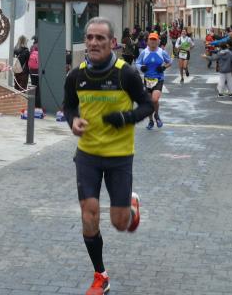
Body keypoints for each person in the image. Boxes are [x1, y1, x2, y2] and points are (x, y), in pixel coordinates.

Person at [62, 17, 153, 295]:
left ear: (112, 42)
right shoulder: (76, 75)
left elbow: (148, 104)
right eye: (89, 37)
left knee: (119, 222)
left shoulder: (125, 74)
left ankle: (131, 206)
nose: (93, 43)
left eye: (100, 38)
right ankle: (100, 275)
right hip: (88, 154)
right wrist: (73, 121)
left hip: (120, 156)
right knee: (89, 217)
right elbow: (69, 107)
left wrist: (126, 117)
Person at [136, 32, 172, 129]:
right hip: (147, 79)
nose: (152, 42)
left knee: (154, 99)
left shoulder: (162, 52)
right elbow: (137, 63)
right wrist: (141, 67)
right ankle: (151, 121)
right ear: (148, 41)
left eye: (154, 40)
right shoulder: (144, 52)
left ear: (158, 41)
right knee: (149, 102)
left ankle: (156, 115)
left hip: (158, 79)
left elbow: (170, 62)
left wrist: (164, 67)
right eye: (151, 40)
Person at [29, 35, 41, 108]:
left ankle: (33, 104)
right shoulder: (41, 46)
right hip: (38, 71)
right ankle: (38, 104)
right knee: (39, 89)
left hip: (32, 71)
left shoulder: (32, 47)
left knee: (33, 87)